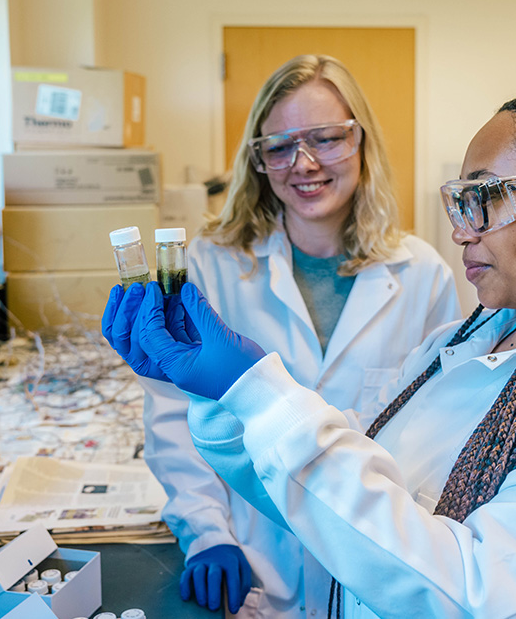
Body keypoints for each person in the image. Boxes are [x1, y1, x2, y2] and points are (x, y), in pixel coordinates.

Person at [107, 78, 516, 617]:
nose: (458, 228)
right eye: (456, 199)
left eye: (483, 196)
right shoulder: (463, 345)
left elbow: (479, 595)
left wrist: (256, 388)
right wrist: (226, 397)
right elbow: (331, 495)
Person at [104, 54, 460, 616]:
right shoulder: (214, 264)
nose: (304, 162)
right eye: (280, 146)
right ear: (259, 160)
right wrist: (206, 532)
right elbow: (175, 415)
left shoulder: (422, 275)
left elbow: (441, 436)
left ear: (360, 141)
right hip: (254, 562)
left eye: (325, 138)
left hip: (376, 568)